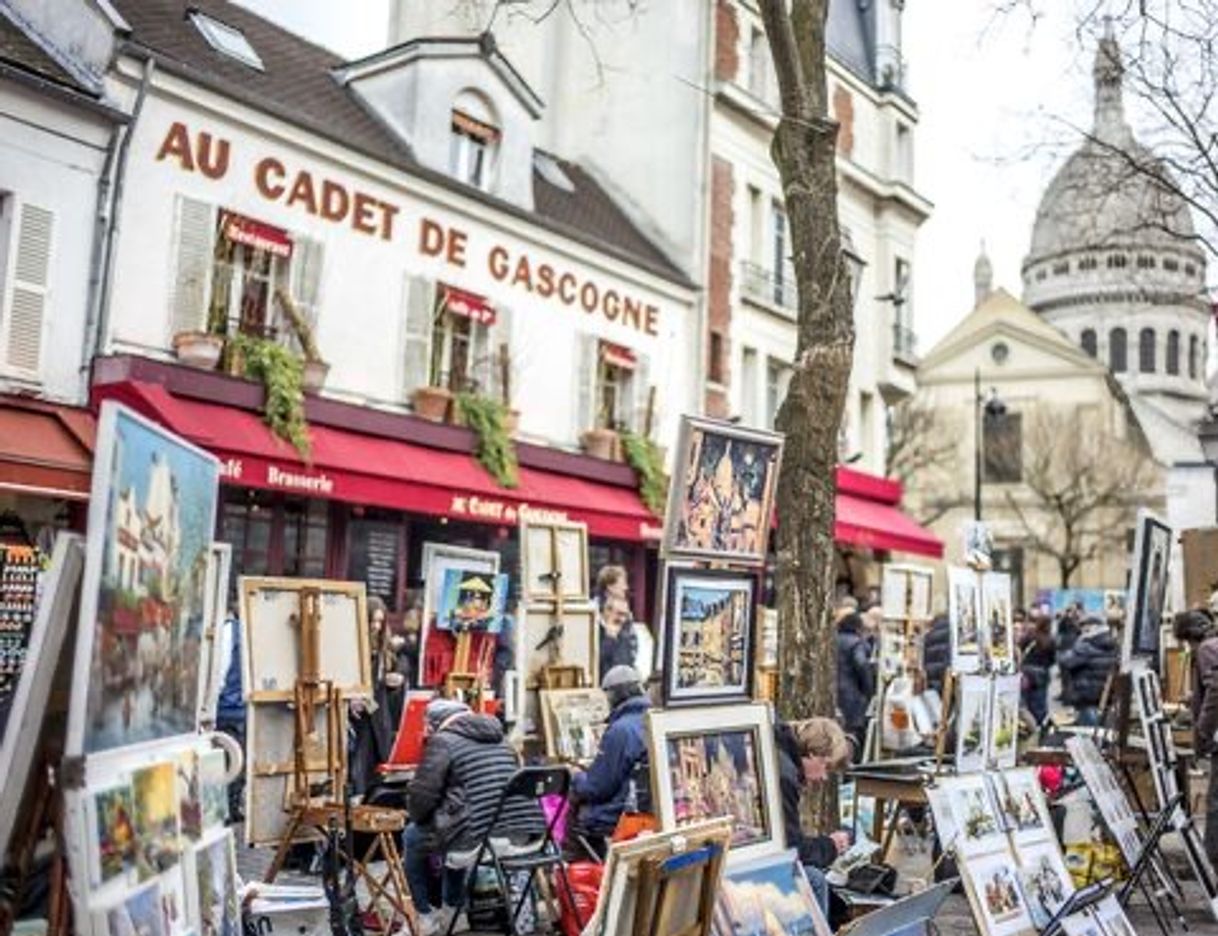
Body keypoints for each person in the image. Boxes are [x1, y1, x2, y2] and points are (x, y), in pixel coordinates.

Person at [405, 699, 544, 934]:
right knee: (453, 828)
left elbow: (421, 801)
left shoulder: (443, 742)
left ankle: (426, 916)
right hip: (527, 837)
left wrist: (420, 814)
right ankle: (453, 912)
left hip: (481, 840)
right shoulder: (503, 740)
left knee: (413, 835)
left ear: (436, 723)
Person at [774, 717, 854, 916]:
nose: (823, 777)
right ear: (812, 753)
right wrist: (830, 846)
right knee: (814, 879)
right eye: (825, 766)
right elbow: (791, 849)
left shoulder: (782, 760)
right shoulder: (785, 776)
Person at [570, 665, 651, 857]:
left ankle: (584, 876)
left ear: (614, 695)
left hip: (619, 814)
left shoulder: (620, 730)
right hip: (642, 810)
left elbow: (596, 788)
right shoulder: (650, 720)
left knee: (572, 811)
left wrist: (575, 777)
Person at [1175, 609, 1218, 866]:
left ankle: (1213, 860)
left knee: (1216, 805)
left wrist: (1201, 731)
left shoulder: (1207, 648)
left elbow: (1216, 689)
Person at [214, 609, 245, 824]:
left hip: (227, 708)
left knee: (228, 763)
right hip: (238, 709)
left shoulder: (229, 631)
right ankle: (228, 809)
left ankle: (225, 811)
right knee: (234, 763)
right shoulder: (243, 631)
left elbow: (219, 674)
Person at [1057, 615, 1118, 726]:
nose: (1082, 630)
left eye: (1085, 627)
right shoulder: (1112, 643)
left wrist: (1078, 641)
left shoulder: (1086, 645)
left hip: (1086, 696)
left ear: (1092, 628)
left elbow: (1066, 661)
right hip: (1104, 697)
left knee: (1087, 735)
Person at [836, 611, 876, 753]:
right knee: (852, 732)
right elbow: (861, 665)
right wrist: (869, 689)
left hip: (834, 691)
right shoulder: (856, 643)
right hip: (851, 695)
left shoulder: (832, 639)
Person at [595, 565, 637, 681]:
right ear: (610, 586)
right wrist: (610, 637)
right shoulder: (593, 615)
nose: (626, 587)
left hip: (624, 680)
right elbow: (595, 657)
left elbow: (631, 650)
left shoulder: (627, 616)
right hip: (604, 681)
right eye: (622, 583)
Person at [1019, 613, 1056, 727]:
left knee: (1025, 702)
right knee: (1039, 703)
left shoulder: (1030, 637)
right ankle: (1039, 726)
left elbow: (1020, 649)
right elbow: (1053, 659)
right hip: (1041, 674)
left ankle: (1027, 726)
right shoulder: (1050, 640)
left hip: (1026, 673)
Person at [922, 613, 951, 697]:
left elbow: (925, 663)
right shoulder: (952, 635)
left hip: (933, 685)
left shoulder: (928, 637)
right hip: (947, 683)